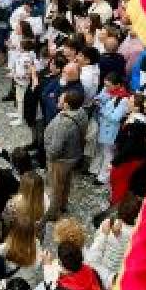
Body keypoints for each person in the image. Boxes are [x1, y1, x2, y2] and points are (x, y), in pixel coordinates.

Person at [44, 89, 88, 221]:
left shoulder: (64, 123)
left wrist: (49, 157)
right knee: (66, 182)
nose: (58, 100)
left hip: (60, 160)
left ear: (67, 105)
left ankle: (52, 213)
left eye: (61, 99)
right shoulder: (82, 112)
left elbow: (56, 148)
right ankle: (63, 205)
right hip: (73, 156)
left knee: (56, 187)